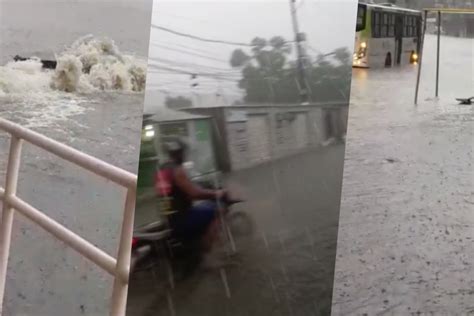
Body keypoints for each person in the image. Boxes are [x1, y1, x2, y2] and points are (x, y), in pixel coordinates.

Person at [155, 138, 227, 269]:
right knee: (218, 210)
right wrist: (215, 193)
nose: (184, 155)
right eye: (183, 152)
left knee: (201, 209)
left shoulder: (162, 169)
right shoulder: (178, 170)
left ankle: (195, 243)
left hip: (168, 217)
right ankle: (205, 256)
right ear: (179, 153)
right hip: (181, 218)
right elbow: (194, 193)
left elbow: (172, 192)